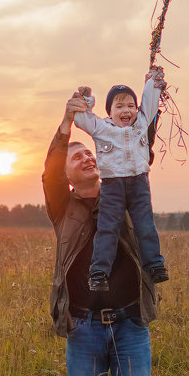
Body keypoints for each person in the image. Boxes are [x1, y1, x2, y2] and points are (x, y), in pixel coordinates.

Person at [42, 89, 160, 376]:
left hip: (130, 325)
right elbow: (51, 169)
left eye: (90, 154)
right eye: (78, 158)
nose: (88, 158)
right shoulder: (63, 207)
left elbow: (138, 142)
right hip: (84, 329)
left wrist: (152, 93)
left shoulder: (126, 193)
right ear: (69, 176)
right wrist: (67, 122)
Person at [73, 68, 169, 292]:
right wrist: (85, 100)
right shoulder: (102, 128)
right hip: (112, 186)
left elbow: (151, 100)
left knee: (145, 225)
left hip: (139, 183)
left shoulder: (142, 123)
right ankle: (98, 273)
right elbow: (81, 118)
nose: (126, 110)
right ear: (109, 111)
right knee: (108, 228)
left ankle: (154, 265)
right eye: (119, 106)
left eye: (130, 106)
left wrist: (154, 80)